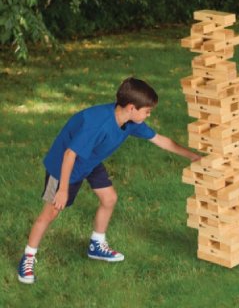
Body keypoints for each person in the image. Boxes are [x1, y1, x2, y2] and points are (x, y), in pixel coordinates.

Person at [18, 77, 201, 284]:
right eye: (147, 111)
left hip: (90, 160)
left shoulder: (130, 122)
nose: (149, 114)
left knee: (109, 198)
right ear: (132, 107)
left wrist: (192, 156)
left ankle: (96, 244)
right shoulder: (98, 123)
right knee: (50, 213)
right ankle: (28, 257)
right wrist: (62, 189)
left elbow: (161, 140)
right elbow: (70, 154)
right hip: (65, 168)